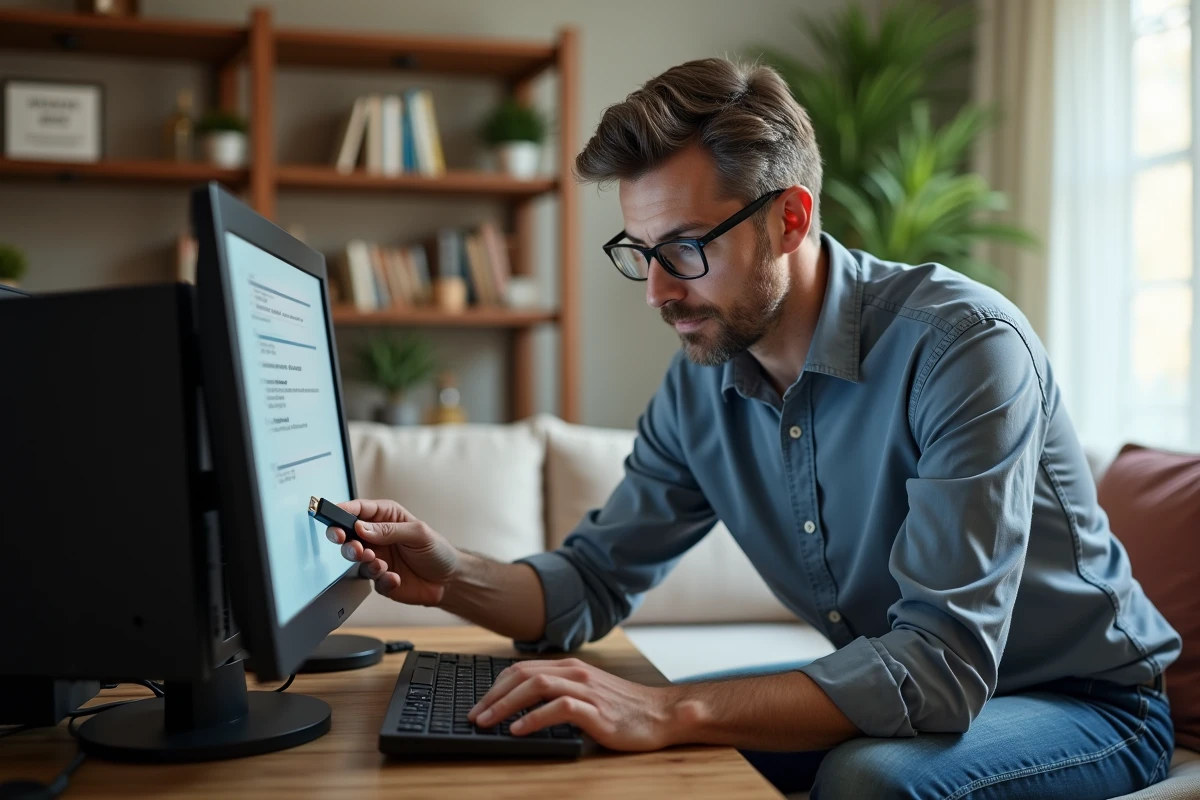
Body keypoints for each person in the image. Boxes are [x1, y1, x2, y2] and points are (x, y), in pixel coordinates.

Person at [326, 58, 1180, 798]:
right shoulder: (702, 382)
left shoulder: (962, 349)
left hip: (1085, 703)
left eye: (688, 248)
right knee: (580, 725)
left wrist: (671, 708)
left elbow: (940, 665)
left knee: (863, 780)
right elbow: (588, 584)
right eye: (642, 252)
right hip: (924, 690)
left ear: (791, 219)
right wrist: (451, 573)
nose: (658, 292)